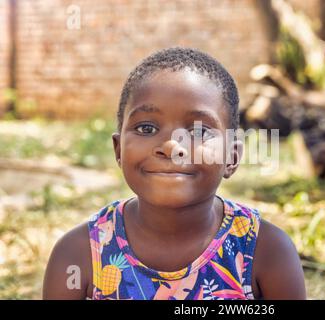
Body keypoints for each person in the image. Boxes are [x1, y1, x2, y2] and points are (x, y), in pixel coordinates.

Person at [43, 47, 306, 300]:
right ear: (118, 149)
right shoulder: (80, 254)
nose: (171, 146)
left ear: (232, 156)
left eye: (200, 131)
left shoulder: (265, 251)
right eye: (146, 128)